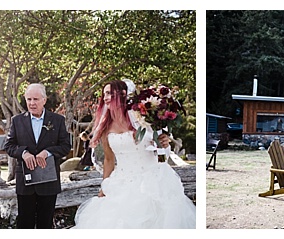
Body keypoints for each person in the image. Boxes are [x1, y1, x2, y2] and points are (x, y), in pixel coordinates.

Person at [73, 80, 195, 228]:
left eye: (109, 93)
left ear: (122, 95)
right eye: (104, 94)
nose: (105, 97)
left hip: (151, 181)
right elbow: (109, 160)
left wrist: (164, 142)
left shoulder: (143, 117)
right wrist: (104, 186)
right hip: (122, 183)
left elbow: (160, 150)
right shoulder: (105, 127)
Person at [4, 83, 72, 229]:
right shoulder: (17, 121)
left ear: (44, 100)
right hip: (25, 181)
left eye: (35, 99)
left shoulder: (57, 120)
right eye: (29, 99)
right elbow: (8, 146)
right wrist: (23, 153)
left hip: (48, 180)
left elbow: (66, 146)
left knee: (45, 224)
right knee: (24, 224)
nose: (32, 103)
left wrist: (48, 152)